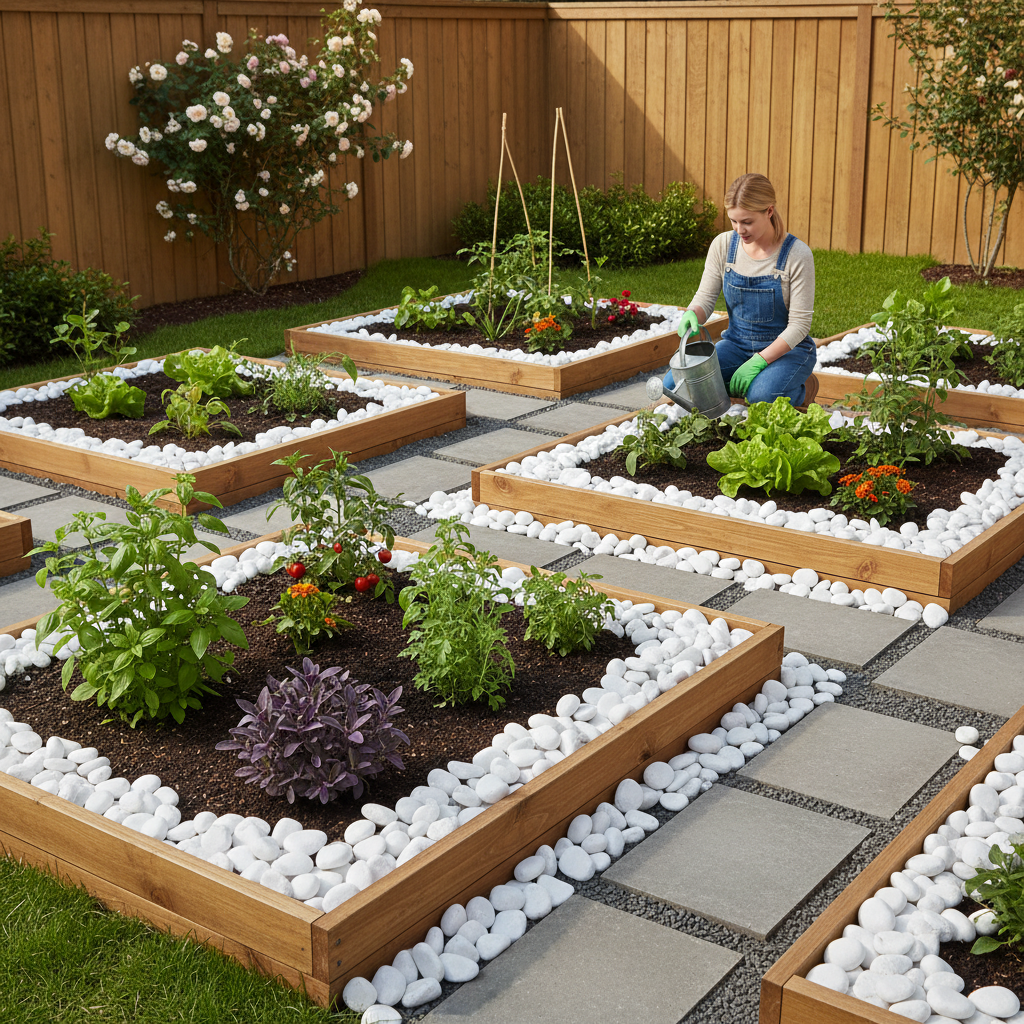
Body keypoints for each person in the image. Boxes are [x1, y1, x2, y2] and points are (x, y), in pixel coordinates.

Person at [676, 173, 819, 407]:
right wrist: (693, 314)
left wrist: (760, 361)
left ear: (769, 212)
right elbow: (705, 297)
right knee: (680, 382)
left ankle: (802, 389)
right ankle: (759, 382)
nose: (739, 229)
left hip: (787, 351)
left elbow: (800, 326)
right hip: (737, 345)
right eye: (733, 221)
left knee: (761, 397)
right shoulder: (723, 245)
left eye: (747, 222)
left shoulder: (797, 254)